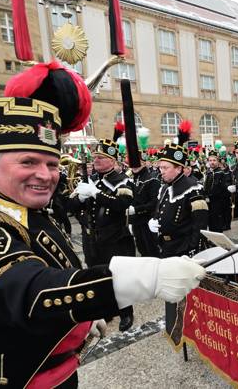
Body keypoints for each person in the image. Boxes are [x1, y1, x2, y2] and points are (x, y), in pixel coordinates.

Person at [0, 62, 204, 388]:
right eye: (28, 162)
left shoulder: (19, 205)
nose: (45, 174)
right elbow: (29, 291)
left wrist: (80, 323)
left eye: (52, 163)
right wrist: (148, 276)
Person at [68, 138, 137, 332]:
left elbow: (122, 204)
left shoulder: (122, 179)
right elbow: (70, 206)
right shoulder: (90, 180)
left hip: (114, 238)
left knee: (118, 277)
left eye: (101, 157)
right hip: (91, 238)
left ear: (113, 161)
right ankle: (107, 309)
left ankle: (126, 312)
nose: (95, 160)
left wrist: (95, 193)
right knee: (97, 275)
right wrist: (80, 197)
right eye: (95, 157)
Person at [149, 121, 209, 257]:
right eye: (160, 167)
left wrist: (194, 251)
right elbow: (160, 210)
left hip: (184, 249)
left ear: (179, 168)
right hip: (165, 247)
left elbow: (200, 225)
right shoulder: (164, 187)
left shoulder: (193, 189)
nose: (161, 171)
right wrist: (154, 219)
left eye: (165, 168)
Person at [129, 155, 161, 258]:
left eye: (137, 162)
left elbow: (154, 203)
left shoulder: (152, 179)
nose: (134, 166)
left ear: (143, 163)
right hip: (136, 221)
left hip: (147, 221)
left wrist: (137, 210)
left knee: (151, 250)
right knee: (141, 249)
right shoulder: (132, 178)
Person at [203, 150, 231, 232]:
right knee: (211, 224)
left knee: (217, 225)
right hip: (208, 203)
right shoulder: (207, 173)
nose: (212, 162)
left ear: (218, 161)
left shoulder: (221, 173)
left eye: (214, 160)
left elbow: (223, 189)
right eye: (210, 160)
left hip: (218, 203)